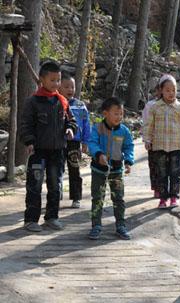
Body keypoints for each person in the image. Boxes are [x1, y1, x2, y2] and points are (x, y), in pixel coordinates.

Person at [19, 61, 77, 232]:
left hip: (57, 151)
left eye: (58, 80)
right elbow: (25, 124)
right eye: (52, 80)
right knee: (35, 185)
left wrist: (70, 129)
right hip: (38, 151)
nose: (56, 84)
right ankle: (31, 220)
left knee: (55, 185)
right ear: (42, 79)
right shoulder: (33, 102)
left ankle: (51, 217)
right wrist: (29, 142)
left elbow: (71, 121)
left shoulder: (62, 102)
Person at [87, 97, 134, 240]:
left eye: (121, 114)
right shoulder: (97, 128)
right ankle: (96, 225)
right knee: (97, 198)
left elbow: (129, 146)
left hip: (116, 171)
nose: (119, 117)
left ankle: (120, 225)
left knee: (118, 198)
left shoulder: (124, 131)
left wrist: (128, 161)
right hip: (98, 170)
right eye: (116, 113)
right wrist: (98, 154)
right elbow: (92, 143)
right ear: (105, 113)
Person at [144, 74, 180, 209]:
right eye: (168, 90)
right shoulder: (155, 107)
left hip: (176, 146)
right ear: (161, 91)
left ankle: (174, 197)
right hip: (159, 146)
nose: (171, 93)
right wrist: (147, 139)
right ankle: (163, 199)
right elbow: (149, 125)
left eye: (173, 90)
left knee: (175, 173)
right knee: (161, 173)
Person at [58, 71, 91, 208]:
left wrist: (85, 141)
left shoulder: (80, 105)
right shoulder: (56, 103)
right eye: (66, 87)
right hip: (58, 142)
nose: (70, 90)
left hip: (75, 142)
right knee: (57, 169)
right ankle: (55, 194)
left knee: (74, 169)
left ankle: (76, 197)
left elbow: (86, 124)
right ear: (59, 87)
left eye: (72, 87)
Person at [142, 84, 161, 198]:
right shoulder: (150, 105)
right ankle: (157, 188)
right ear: (158, 91)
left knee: (167, 166)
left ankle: (166, 188)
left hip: (169, 142)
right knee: (154, 165)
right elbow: (146, 123)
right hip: (154, 141)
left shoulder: (174, 105)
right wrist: (146, 140)